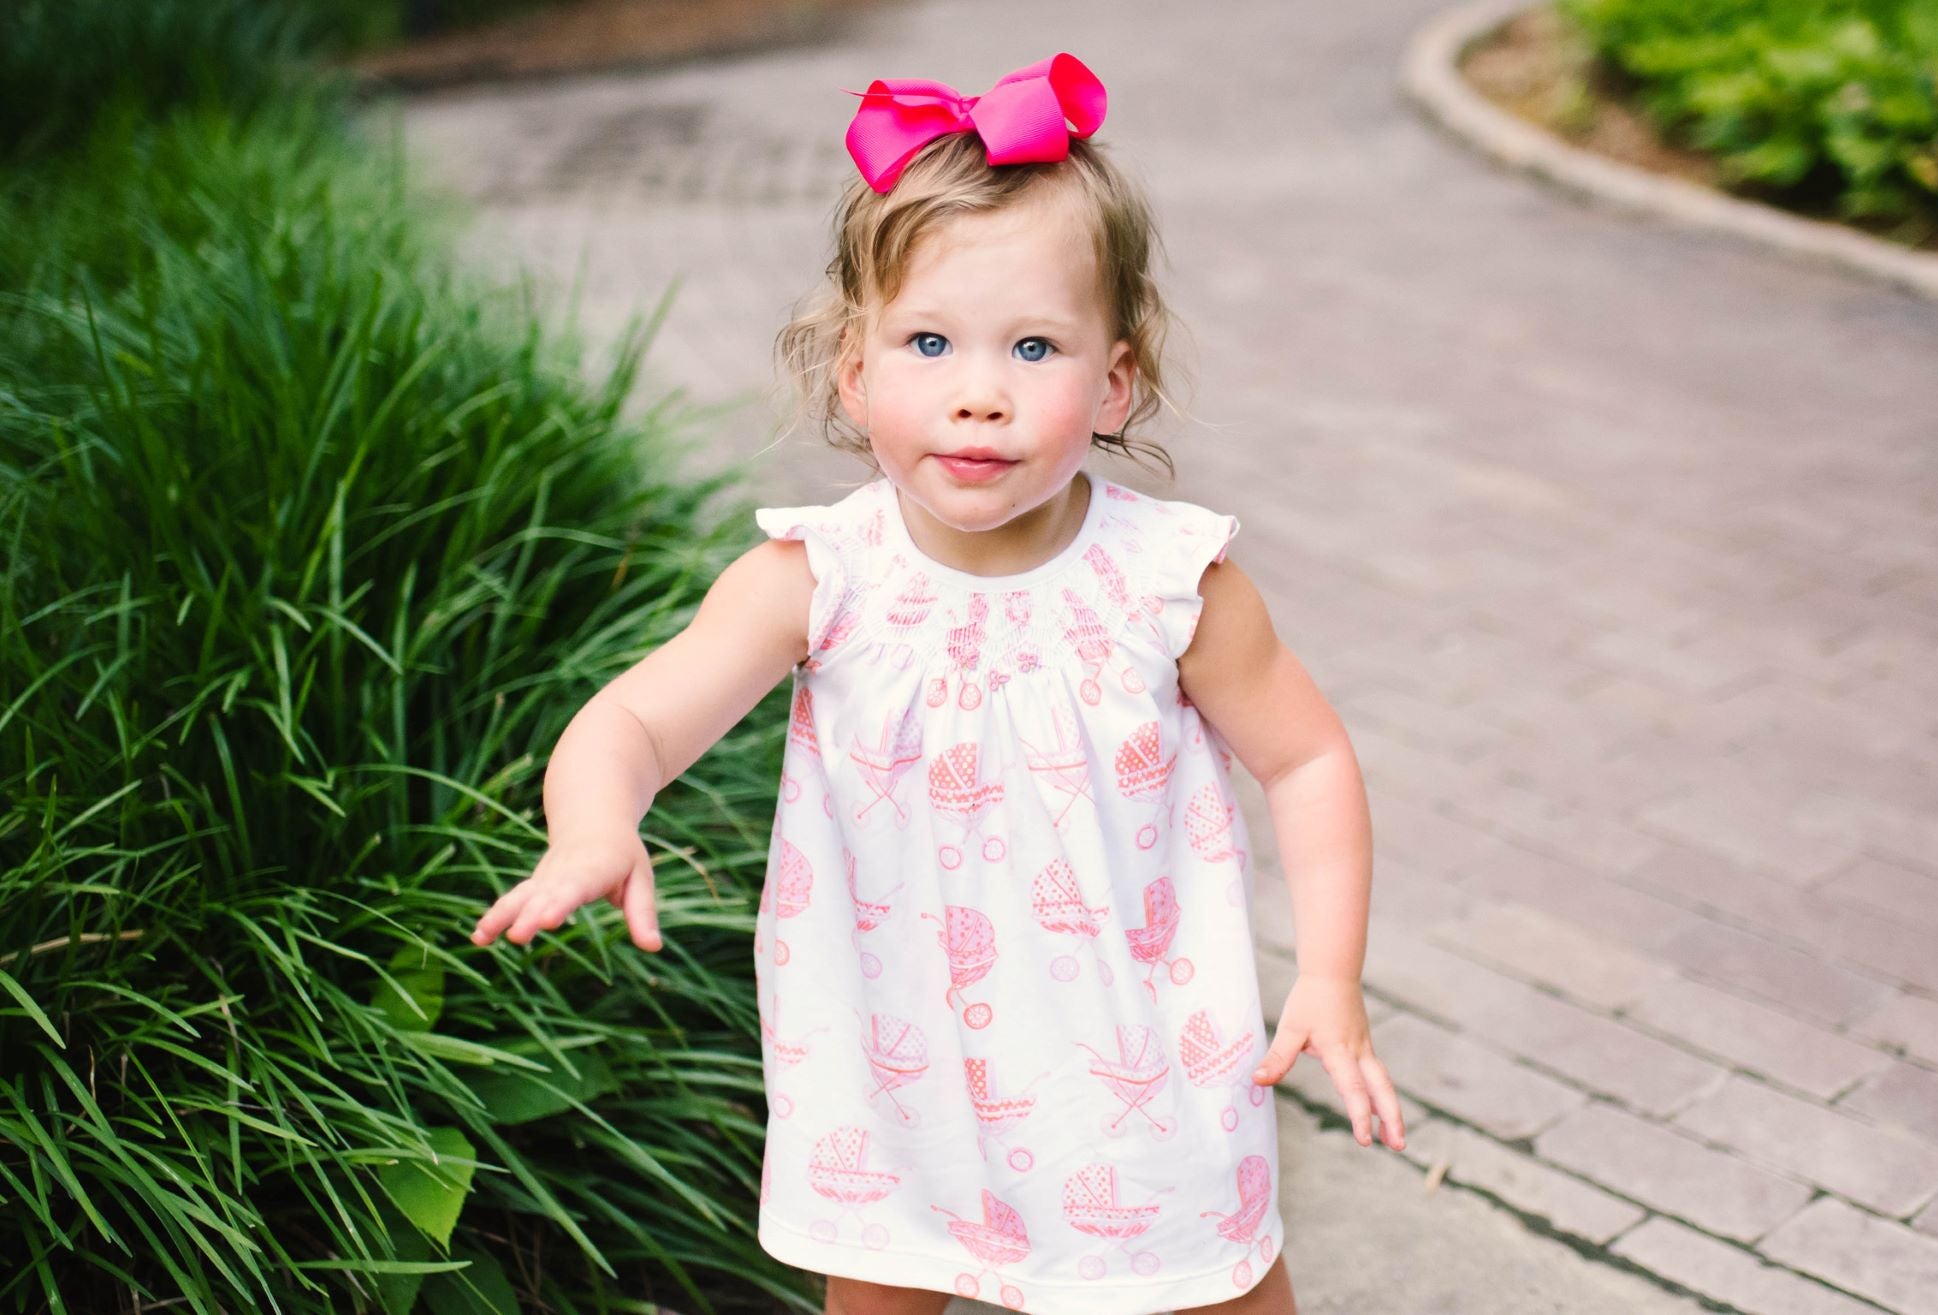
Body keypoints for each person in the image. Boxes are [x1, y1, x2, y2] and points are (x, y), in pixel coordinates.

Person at [471, 52, 1404, 1315]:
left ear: (1115, 380)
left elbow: (1303, 759)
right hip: (888, 1076)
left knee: (1213, 1288)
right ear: (853, 373)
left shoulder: (1171, 584)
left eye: (1032, 346)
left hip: (1133, 1073)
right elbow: (636, 714)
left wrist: (1329, 977)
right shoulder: (818, 575)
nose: (977, 393)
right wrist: (593, 820)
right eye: (928, 342)